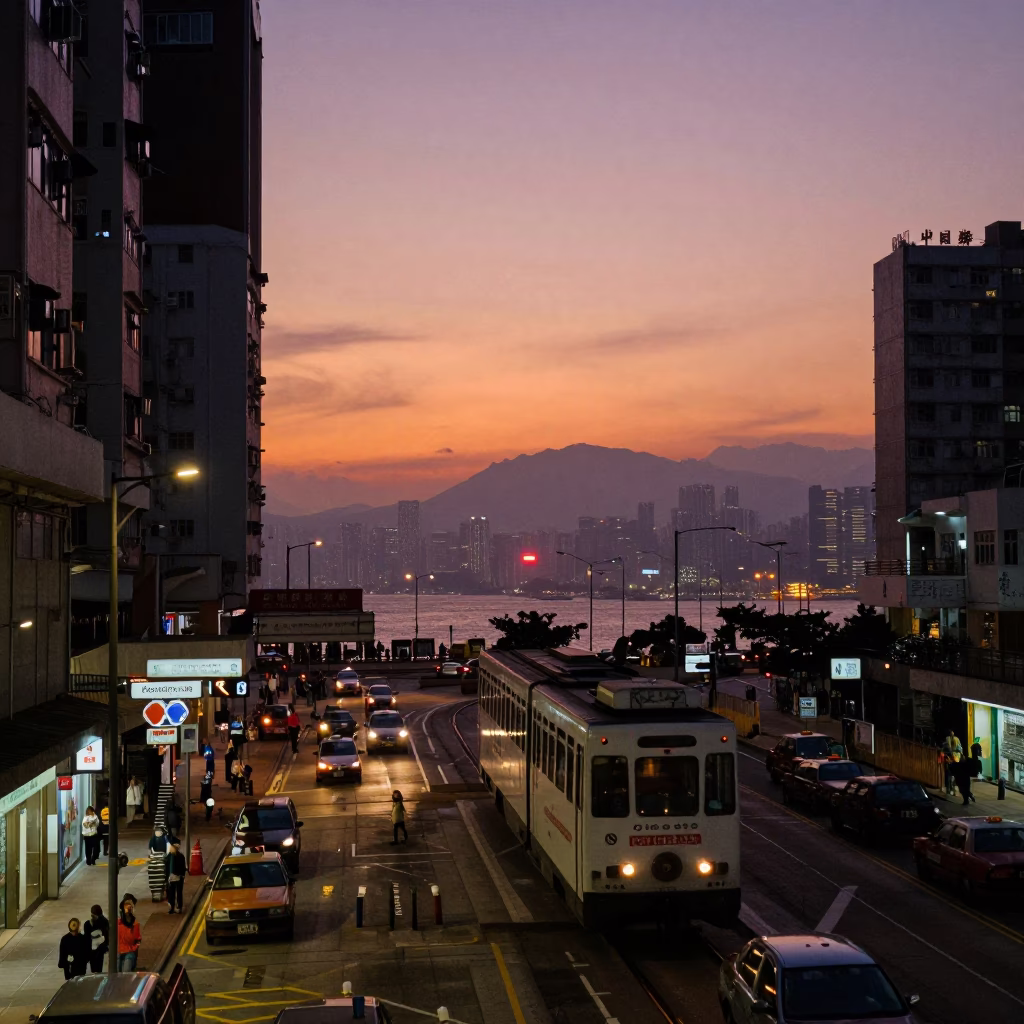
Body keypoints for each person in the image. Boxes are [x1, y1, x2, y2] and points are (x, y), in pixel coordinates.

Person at [83, 904, 109, 974]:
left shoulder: (103, 922)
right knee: (96, 967)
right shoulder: (89, 923)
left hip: (98, 948)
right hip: (96, 948)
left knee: (96, 967)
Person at [117, 898, 141, 972]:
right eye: (126, 907)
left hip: (129, 951)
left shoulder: (135, 924)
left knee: (126, 972)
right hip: (119, 951)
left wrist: (134, 948)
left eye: (130, 907)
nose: (128, 910)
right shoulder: (118, 923)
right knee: (117, 973)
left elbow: (138, 939)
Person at [148, 826, 169, 902]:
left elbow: (151, 848)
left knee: (155, 877)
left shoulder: (153, 838)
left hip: (155, 859)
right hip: (162, 859)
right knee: (164, 877)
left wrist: (152, 856)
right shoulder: (165, 838)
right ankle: (163, 893)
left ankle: (156, 894)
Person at [165, 841, 187, 914]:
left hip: (178, 877)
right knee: (171, 894)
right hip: (171, 878)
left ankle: (179, 907)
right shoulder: (169, 856)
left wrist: (182, 876)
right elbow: (166, 867)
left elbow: (182, 868)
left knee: (179, 893)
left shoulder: (180, 856)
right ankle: (172, 908)